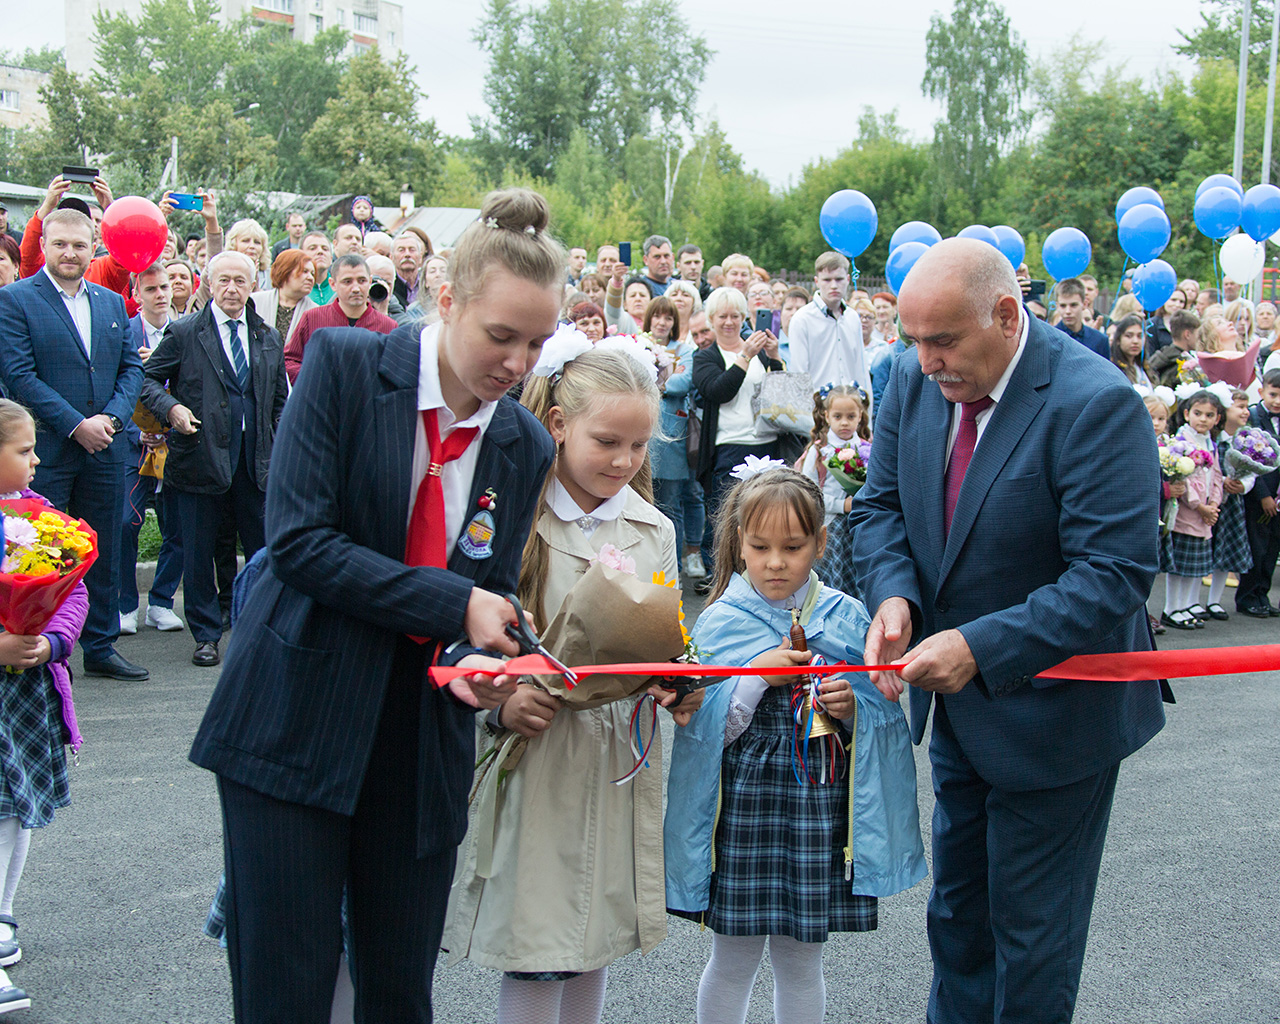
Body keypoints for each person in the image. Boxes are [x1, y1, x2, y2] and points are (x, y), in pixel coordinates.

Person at [187, 188, 562, 1022]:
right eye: (501, 336)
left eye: (535, 343)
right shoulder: (348, 368)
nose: (516, 363)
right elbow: (299, 543)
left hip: (416, 745)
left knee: (398, 994)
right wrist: (458, 605)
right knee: (285, 990)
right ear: (446, 297)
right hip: (294, 720)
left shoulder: (523, 441)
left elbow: (488, 591)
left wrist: (483, 670)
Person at [849, 238, 1168, 1024]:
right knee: (958, 920)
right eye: (913, 341)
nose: (925, 363)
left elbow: (1114, 573)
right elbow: (879, 509)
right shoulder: (915, 382)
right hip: (959, 708)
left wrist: (979, 647)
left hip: (1058, 721)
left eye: (944, 341)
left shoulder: (1095, 402)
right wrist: (895, 598)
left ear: (1004, 314)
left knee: (1032, 939)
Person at [446, 345, 693, 1024]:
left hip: (616, 756)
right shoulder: (512, 520)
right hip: (538, 756)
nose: (623, 461)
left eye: (640, 445)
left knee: (595, 938)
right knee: (541, 941)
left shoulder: (655, 529)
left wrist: (674, 681)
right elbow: (467, 637)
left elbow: (664, 636)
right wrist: (499, 706)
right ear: (556, 423)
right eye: (607, 441)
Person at [664, 466, 924, 1024]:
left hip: (816, 808)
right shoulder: (718, 624)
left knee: (802, 962)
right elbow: (706, 731)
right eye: (759, 547)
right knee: (732, 958)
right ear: (739, 543)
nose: (775, 562)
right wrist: (756, 676)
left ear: (821, 541)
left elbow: (882, 714)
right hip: (744, 811)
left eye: (793, 546)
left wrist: (853, 709)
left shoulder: (848, 617)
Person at [0, 207, 148, 682]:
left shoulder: (110, 302)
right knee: (41, 553)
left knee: (99, 548)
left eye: (79, 245)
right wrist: (75, 424)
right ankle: (39, 647)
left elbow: (131, 369)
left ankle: (100, 647)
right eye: (60, 244)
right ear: (44, 246)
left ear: (93, 249)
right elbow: (19, 376)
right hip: (49, 451)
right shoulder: (16, 300)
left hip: (106, 447)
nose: (70, 253)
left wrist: (110, 418)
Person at [140, 251, 290, 666]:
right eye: (223, 280)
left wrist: (277, 441)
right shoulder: (186, 331)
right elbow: (147, 378)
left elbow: (280, 398)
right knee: (199, 551)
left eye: (240, 281)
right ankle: (206, 634)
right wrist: (171, 409)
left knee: (260, 551)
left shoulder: (267, 336)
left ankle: (254, 628)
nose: (231, 289)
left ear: (252, 285)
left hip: (254, 465)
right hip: (199, 460)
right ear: (208, 283)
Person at [0, 399, 91, 1015]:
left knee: (18, 804)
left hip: (25, 690)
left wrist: (52, 640)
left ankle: (2, 912)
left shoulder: (43, 519)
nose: (36, 459)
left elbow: (71, 590)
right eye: (24, 450)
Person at [692, 287, 783, 580]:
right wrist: (744, 355)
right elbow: (718, 391)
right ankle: (722, 577)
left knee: (766, 517)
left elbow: (782, 395)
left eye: (735, 316)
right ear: (711, 319)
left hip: (767, 442)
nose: (729, 322)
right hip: (729, 448)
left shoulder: (760, 353)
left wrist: (774, 355)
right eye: (722, 316)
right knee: (728, 520)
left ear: (744, 317)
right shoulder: (705, 357)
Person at [119, 263, 185, 636]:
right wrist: (134, 431)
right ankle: (126, 603)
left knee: (177, 528)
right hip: (134, 445)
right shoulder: (125, 333)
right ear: (137, 295)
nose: (161, 294)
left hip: (176, 445)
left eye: (165, 287)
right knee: (126, 523)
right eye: (152, 289)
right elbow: (117, 386)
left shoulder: (189, 329)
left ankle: (160, 603)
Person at [647, 300, 706, 581]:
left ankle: (675, 571)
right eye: (657, 316)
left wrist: (651, 381)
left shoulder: (685, 351)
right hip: (642, 435)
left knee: (671, 505)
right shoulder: (636, 342)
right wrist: (665, 379)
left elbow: (682, 384)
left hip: (672, 439)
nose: (662, 322)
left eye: (668, 318)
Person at [797, 382, 871, 596]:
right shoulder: (820, 450)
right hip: (830, 526)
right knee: (833, 578)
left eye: (851, 416)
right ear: (827, 416)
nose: (845, 423)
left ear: (860, 416)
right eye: (838, 417)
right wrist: (842, 505)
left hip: (859, 525)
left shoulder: (867, 448)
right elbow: (809, 493)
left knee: (859, 575)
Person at [1161, 389, 1225, 628]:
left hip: (1204, 514)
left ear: (1217, 418)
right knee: (1178, 566)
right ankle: (1171, 607)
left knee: (1194, 567)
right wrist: (1200, 506)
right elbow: (1183, 481)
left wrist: (1214, 503)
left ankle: (1185, 605)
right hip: (1188, 514)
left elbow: (1217, 475)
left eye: (1209, 415)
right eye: (1198, 413)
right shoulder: (1180, 442)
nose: (1203, 419)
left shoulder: (1211, 443)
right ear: (1186, 413)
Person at [285, 254, 397, 385]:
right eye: (347, 281)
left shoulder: (388, 326)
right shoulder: (312, 318)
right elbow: (290, 360)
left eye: (362, 281)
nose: (356, 288)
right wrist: (314, 381)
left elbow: (394, 371)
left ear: (370, 281)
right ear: (333, 284)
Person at [786, 252, 872, 409]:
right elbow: (799, 375)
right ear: (817, 281)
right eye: (827, 280)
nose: (833, 285)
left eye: (839, 279)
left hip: (851, 410)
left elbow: (861, 369)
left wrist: (867, 421)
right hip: (818, 411)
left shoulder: (853, 318)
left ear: (847, 279)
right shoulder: (802, 319)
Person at [1204, 385, 1254, 621]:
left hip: (1232, 504)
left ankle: (1215, 600)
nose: (1246, 412)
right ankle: (1192, 601)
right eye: (1240, 406)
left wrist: (1242, 485)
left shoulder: (1244, 440)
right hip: (1210, 501)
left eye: (1247, 407)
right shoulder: (1215, 440)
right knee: (1204, 550)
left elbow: (1251, 472)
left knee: (1226, 550)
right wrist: (1222, 481)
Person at [1237, 369, 1280, 617]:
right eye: (1273, 394)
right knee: (1256, 546)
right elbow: (1249, 462)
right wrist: (1263, 495)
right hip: (1258, 494)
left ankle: (1262, 594)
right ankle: (1247, 596)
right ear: (1262, 391)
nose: (1277, 401)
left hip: (1278, 496)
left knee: (1272, 548)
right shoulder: (1253, 417)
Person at [249, 250, 318, 347]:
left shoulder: (316, 312)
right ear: (286, 271)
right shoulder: (254, 301)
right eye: (304, 271)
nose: (310, 278)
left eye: (312, 273)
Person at [1054, 277, 1109, 358]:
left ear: (1084, 304)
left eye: (1073, 305)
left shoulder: (1099, 340)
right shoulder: (1049, 339)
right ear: (1057, 306)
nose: (1068, 311)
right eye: (1063, 306)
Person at [1147, 310, 1201, 388]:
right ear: (1187, 334)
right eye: (1198, 334)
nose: (1199, 338)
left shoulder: (1162, 355)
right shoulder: (1179, 364)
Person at [1110, 314, 1154, 394]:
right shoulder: (1113, 370)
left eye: (1139, 336)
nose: (1135, 341)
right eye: (1129, 336)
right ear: (1118, 340)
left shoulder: (1145, 368)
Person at [225, 219, 271, 291]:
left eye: (257, 242)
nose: (252, 246)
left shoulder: (271, 276)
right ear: (233, 244)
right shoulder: (224, 272)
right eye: (245, 241)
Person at [392, 230, 428, 310]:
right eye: (401, 250)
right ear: (392, 257)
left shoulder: (428, 283)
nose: (407, 254)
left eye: (412, 250)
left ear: (420, 257)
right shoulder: (389, 286)